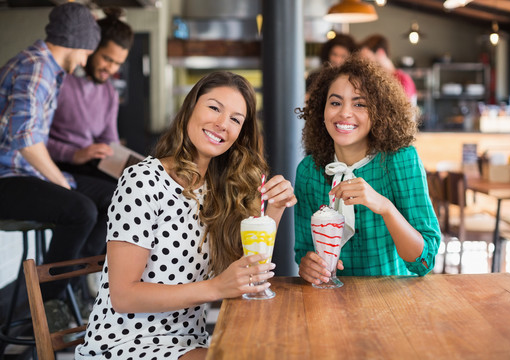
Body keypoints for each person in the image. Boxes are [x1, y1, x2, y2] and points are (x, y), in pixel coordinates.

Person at [75, 71, 297, 360]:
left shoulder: (218, 190)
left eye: (235, 119)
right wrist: (215, 287)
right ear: (191, 107)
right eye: (214, 107)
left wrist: (274, 209)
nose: (222, 124)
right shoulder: (142, 180)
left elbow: (243, 272)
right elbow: (124, 296)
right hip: (125, 345)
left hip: (189, 342)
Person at [294, 57, 440, 286]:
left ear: (378, 112)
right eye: (335, 103)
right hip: (331, 302)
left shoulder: (400, 160)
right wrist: (307, 265)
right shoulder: (308, 171)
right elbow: (303, 251)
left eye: (359, 104)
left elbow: (424, 262)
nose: (345, 113)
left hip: (395, 302)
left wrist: (385, 207)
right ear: (321, 111)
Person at [0, 3, 109, 301]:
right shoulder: (35, 67)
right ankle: (48, 305)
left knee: (114, 196)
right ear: (76, 42)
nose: (87, 57)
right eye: (87, 50)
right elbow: (24, 138)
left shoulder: (48, 69)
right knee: (81, 210)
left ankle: (76, 281)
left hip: (24, 174)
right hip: (7, 178)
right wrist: (60, 182)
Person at [47, 7, 134, 183]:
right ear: (91, 48)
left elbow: (110, 142)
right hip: (57, 164)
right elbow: (33, 140)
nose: (111, 69)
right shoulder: (59, 80)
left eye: (118, 63)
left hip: (89, 165)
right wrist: (75, 154)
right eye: (107, 59)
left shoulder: (109, 92)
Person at [358, 34, 418, 106]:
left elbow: (401, 111)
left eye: (367, 59)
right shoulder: (376, 80)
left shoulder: (403, 79)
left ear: (381, 52)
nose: (365, 64)